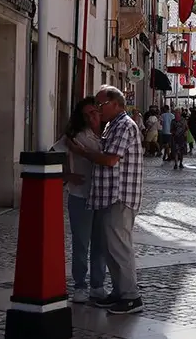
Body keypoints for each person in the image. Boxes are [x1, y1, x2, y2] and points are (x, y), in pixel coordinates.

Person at [67, 86, 145, 315]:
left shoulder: (124, 125)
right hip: (107, 196)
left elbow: (110, 160)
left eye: (101, 106)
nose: (99, 110)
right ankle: (119, 292)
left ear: (115, 104)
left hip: (119, 196)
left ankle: (131, 297)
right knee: (110, 249)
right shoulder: (113, 126)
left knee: (120, 248)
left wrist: (81, 152)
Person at [51, 97, 106, 303]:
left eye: (93, 112)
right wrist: (67, 176)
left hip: (103, 196)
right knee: (81, 243)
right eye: (86, 114)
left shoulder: (110, 135)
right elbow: (53, 153)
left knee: (100, 243)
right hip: (80, 195)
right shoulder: (76, 136)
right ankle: (80, 285)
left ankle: (98, 285)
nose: (91, 117)